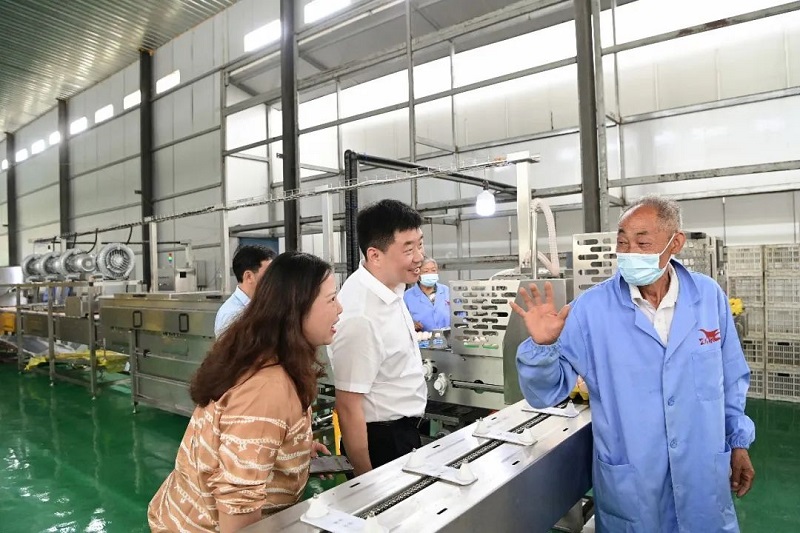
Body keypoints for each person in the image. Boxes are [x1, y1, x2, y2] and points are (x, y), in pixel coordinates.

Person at [513, 195, 755, 533]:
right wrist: (543, 346)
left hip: (703, 477)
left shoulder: (708, 297)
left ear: (675, 243)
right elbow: (545, 393)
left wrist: (738, 442)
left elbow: (731, 379)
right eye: (623, 242)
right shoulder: (592, 309)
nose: (629, 253)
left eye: (643, 243)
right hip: (634, 486)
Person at [148, 252, 342, 533]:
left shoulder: (264, 355)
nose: (340, 308)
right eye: (331, 299)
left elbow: (243, 439)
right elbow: (238, 507)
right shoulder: (266, 388)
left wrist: (294, 449)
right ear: (296, 309)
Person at [328, 199, 427, 476]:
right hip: (381, 442)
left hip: (402, 433)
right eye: (408, 249)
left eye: (420, 244)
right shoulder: (361, 313)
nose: (419, 256)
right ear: (375, 255)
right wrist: (365, 478)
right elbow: (348, 406)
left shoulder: (391, 288)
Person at [214, 245, 276, 337]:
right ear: (249, 276)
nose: (274, 280)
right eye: (268, 275)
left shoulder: (260, 305)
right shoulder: (232, 315)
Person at [404, 257, 451, 332]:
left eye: (433, 270)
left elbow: (459, 314)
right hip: (422, 337)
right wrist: (411, 324)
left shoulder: (446, 290)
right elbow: (401, 320)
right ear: (418, 273)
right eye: (426, 271)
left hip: (448, 337)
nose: (430, 274)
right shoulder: (408, 296)